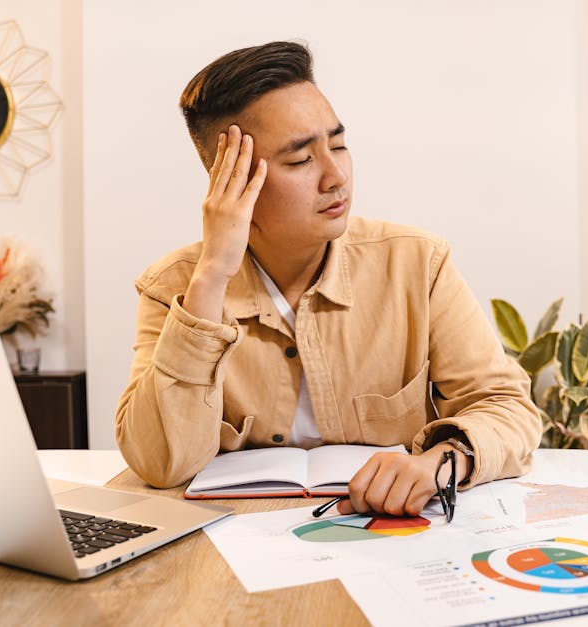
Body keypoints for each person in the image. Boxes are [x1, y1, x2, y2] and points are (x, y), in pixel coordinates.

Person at [115, 41, 540, 517]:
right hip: (239, 538)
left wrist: (443, 461)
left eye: (338, 145)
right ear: (229, 182)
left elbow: (508, 408)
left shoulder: (417, 263)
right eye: (301, 161)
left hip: (393, 533)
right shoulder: (173, 287)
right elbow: (160, 463)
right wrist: (213, 272)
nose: (336, 175)